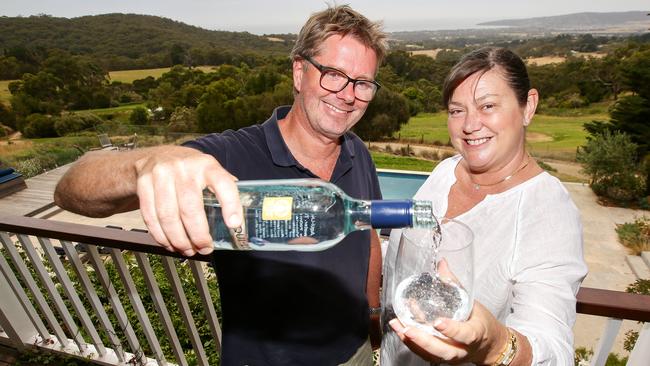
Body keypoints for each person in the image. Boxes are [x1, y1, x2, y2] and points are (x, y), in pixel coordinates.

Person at [54, 5, 387, 365]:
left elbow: (366, 239)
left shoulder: (357, 152)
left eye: (362, 83)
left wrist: (371, 313)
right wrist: (146, 162)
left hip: (354, 354)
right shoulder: (229, 158)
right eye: (334, 75)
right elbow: (73, 188)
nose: (348, 94)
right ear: (298, 72)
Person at [380, 47, 588, 365]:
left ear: (528, 106)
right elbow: (411, 260)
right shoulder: (445, 171)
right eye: (456, 110)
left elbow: (555, 348)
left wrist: (492, 344)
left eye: (487, 106)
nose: (470, 125)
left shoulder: (547, 212)